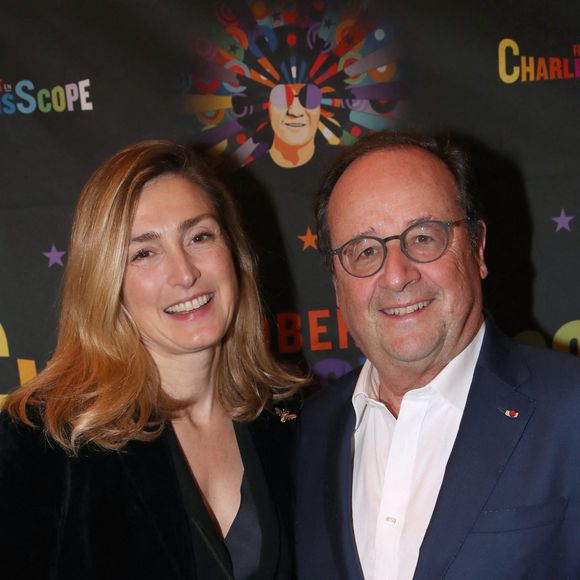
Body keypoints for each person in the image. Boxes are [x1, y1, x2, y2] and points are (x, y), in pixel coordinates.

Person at [0, 141, 305, 580]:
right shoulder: (46, 438)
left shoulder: (290, 420)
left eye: (199, 236)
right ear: (107, 282)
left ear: (234, 252)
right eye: (145, 252)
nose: (184, 273)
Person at [293, 131, 580, 579]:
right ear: (336, 284)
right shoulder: (310, 433)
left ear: (478, 248)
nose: (397, 276)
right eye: (365, 251)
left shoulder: (570, 411)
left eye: (423, 238)